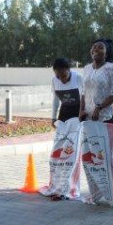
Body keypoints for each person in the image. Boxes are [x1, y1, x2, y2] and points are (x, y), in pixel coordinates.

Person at [79, 38, 113, 208]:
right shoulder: (86, 68)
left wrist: (99, 108)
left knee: (107, 159)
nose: (96, 49)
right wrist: (81, 111)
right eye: (94, 46)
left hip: (105, 120)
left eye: (101, 48)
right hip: (88, 121)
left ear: (107, 53)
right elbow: (83, 93)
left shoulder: (110, 68)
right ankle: (96, 194)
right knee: (89, 159)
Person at [39, 57, 83, 200]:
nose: (61, 79)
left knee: (71, 155)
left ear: (69, 70)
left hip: (77, 118)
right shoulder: (55, 81)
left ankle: (67, 190)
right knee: (56, 154)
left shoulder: (78, 78)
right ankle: (55, 186)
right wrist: (53, 118)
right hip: (63, 118)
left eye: (63, 75)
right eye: (58, 76)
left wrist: (83, 116)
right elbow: (56, 100)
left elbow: (85, 98)